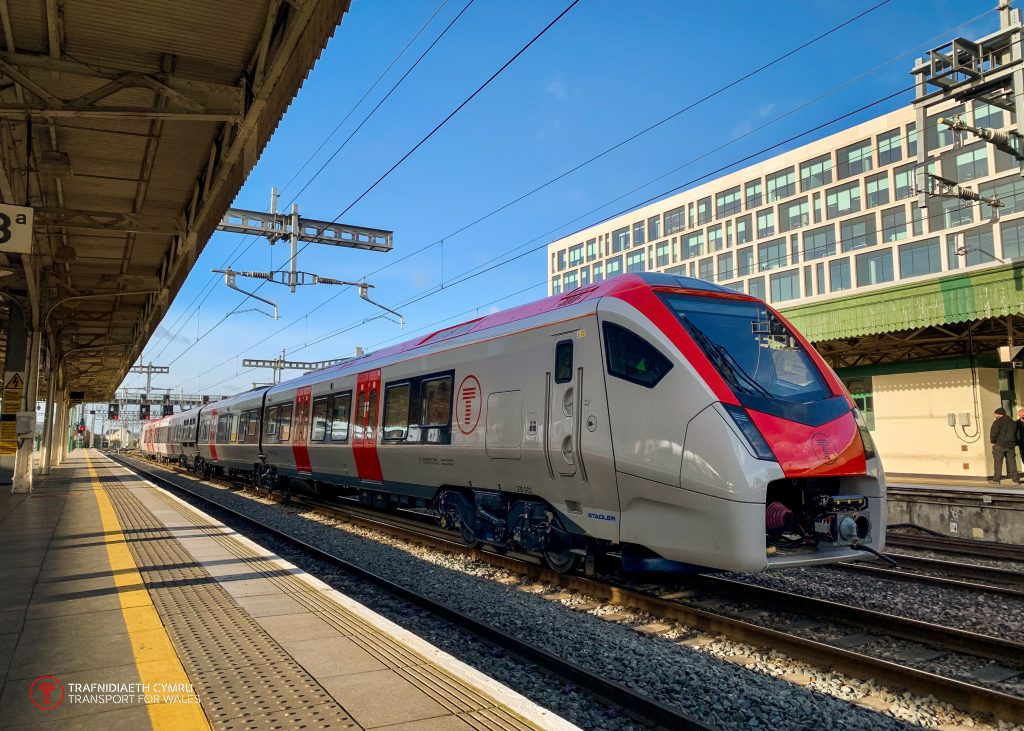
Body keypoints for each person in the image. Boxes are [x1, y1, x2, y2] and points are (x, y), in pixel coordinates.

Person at [989, 407, 1020, 484]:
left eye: (996, 416)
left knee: (998, 462)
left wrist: (993, 442)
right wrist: (1015, 443)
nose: (996, 417)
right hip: (1011, 445)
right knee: (1012, 462)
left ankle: (996, 480)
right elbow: (1018, 434)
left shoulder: (997, 422)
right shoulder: (1013, 422)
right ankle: (1016, 480)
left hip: (999, 445)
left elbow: (993, 434)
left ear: (999, 414)